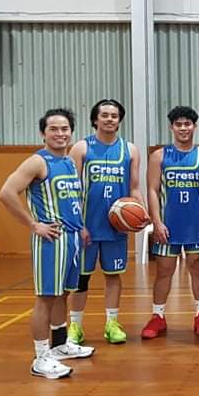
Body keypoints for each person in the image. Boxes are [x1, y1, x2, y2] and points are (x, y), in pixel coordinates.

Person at [0, 108, 94, 379]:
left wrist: (82, 227)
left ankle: (61, 344)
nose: (60, 133)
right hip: (51, 238)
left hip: (73, 237)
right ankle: (40, 357)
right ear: (43, 133)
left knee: (63, 294)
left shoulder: (69, 162)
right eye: (53, 129)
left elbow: (71, 201)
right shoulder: (37, 162)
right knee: (45, 298)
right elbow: (6, 193)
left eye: (64, 129)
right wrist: (33, 224)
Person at [67, 99, 145, 345]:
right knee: (81, 279)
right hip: (86, 228)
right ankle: (75, 327)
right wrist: (78, 225)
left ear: (119, 120)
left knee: (113, 276)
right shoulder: (81, 148)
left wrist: (141, 212)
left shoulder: (130, 150)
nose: (110, 119)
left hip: (116, 226)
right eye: (105, 115)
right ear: (95, 119)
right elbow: (71, 190)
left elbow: (134, 187)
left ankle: (111, 323)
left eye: (114, 115)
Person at [141, 106, 199, 340]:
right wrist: (156, 222)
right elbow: (152, 190)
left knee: (198, 269)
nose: (183, 128)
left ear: (194, 127)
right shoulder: (159, 156)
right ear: (172, 127)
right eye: (179, 124)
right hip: (168, 224)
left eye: (188, 124)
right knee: (164, 271)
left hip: (197, 223)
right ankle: (158, 316)